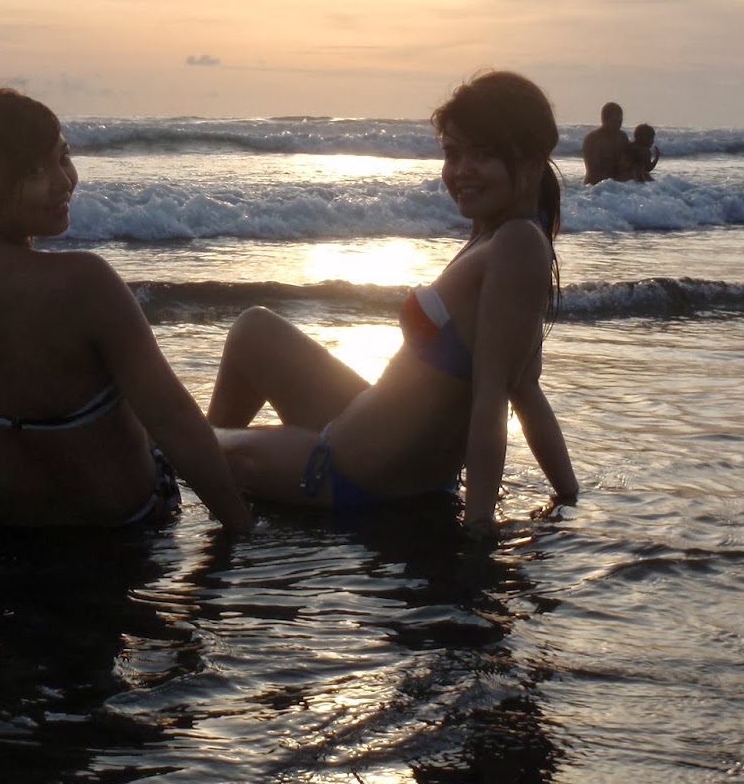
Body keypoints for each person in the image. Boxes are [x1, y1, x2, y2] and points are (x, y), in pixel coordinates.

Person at [206, 70, 578, 529]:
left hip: (348, 471)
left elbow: (494, 396)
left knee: (189, 443)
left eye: (482, 155)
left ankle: (193, 482)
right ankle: (198, 483)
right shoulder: (495, 232)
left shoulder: (517, 243)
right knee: (253, 330)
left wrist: (478, 529)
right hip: (363, 433)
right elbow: (528, 387)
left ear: (531, 159)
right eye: (453, 154)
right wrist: (568, 493)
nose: (461, 171)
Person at [0, 87, 252, 541]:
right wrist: (239, 527)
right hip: (121, 523)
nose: (64, 181)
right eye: (36, 170)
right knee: (156, 423)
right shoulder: (85, 283)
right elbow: (171, 416)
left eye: (63, 157)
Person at [582, 102, 630, 184]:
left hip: (617, 183)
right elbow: (593, 169)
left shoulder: (622, 137)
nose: (618, 125)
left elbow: (628, 160)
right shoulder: (593, 139)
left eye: (620, 122)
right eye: (614, 121)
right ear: (604, 120)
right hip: (596, 185)